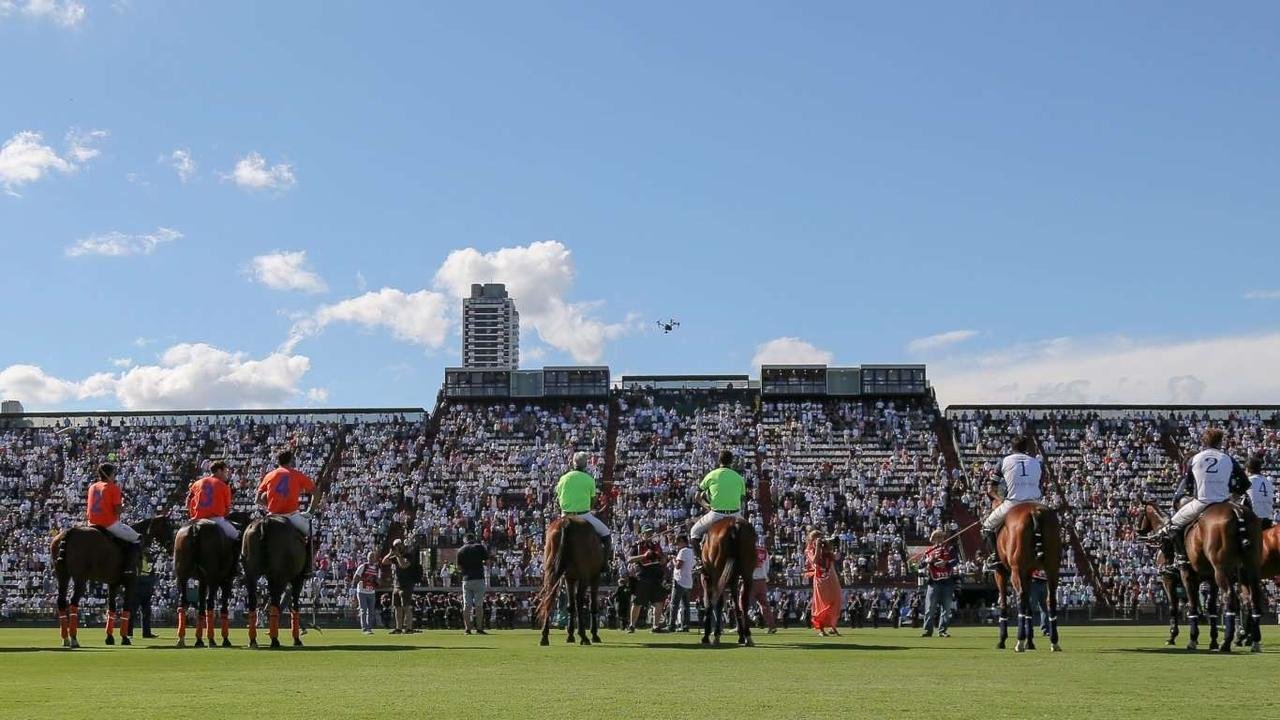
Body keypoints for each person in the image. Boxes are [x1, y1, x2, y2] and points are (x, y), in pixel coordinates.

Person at [1156, 428, 1251, 566]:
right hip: (1225, 502)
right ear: (1220, 442)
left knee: (1170, 526)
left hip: (1201, 502)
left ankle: (1181, 559)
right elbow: (1245, 483)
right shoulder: (1228, 459)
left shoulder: (1195, 459)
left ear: (1205, 442)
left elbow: (1188, 486)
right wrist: (1232, 495)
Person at [980, 436, 1043, 570]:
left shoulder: (1004, 461)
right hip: (1036, 503)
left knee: (986, 527)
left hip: (1014, 503)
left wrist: (1000, 499)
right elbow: (1041, 485)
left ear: (1012, 448)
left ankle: (995, 558)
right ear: (1026, 448)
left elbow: (991, 489)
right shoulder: (1037, 462)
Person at [554, 451, 613, 571]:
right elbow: (592, 501)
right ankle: (605, 565)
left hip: (565, 515)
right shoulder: (589, 479)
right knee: (606, 534)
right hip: (583, 515)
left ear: (572, 463)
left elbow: (557, 498)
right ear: (585, 464)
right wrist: (589, 509)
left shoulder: (563, 478)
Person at [689, 450, 747, 558]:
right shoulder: (739, 478)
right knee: (751, 535)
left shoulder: (711, 475)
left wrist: (706, 505)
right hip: (735, 515)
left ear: (719, 460)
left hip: (716, 514)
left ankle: (700, 561)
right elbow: (742, 500)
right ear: (731, 461)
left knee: (694, 532)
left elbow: (696, 497)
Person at [257, 449, 317, 537]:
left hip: (272, 516)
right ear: (291, 460)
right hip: (292, 516)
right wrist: (310, 511)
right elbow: (316, 493)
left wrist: (271, 506)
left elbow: (258, 499)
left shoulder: (269, 475)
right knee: (313, 533)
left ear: (278, 461)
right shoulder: (298, 475)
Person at [626, 524, 666, 633]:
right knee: (637, 602)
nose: (649, 535)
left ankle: (655, 626)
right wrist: (644, 556)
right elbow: (629, 559)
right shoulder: (637, 546)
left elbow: (663, 560)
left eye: (651, 533)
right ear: (642, 534)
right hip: (642, 577)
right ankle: (632, 625)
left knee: (658, 602)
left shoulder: (655, 545)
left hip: (656, 576)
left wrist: (659, 556)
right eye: (647, 533)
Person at [920, 529, 957, 638]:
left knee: (946, 609)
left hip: (947, 582)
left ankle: (942, 631)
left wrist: (946, 563)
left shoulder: (950, 549)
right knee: (930, 608)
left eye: (941, 537)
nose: (939, 539)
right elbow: (920, 565)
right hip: (933, 582)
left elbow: (955, 561)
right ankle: (928, 630)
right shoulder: (928, 551)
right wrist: (926, 561)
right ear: (934, 540)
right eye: (937, 538)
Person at [187, 461, 238, 539]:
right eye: (225, 471)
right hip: (216, 519)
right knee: (236, 535)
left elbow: (188, 501)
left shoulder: (197, 483)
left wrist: (193, 515)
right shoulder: (224, 486)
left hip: (197, 520)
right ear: (219, 471)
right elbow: (227, 509)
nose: (227, 474)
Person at [804, 531, 841, 637]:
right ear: (811, 540)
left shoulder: (826, 547)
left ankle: (832, 626)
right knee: (821, 603)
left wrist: (834, 547)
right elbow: (815, 560)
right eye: (816, 539)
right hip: (820, 578)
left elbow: (835, 557)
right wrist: (818, 548)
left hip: (831, 575)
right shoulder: (809, 549)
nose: (818, 540)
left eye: (819, 538)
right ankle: (820, 628)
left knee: (836, 599)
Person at [381, 539, 418, 634]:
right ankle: (398, 628)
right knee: (397, 608)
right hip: (397, 585)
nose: (397, 547)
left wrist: (398, 555)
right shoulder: (396, 556)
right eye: (395, 546)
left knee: (406, 607)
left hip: (406, 585)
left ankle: (409, 628)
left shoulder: (409, 555)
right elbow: (384, 562)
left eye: (398, 545)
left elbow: (403, 565)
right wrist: (390, 553)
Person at [457, 533, 489, 635]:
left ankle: (467, 628)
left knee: (467, 605)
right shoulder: (480, 547)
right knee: (479, 605)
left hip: (466, 579)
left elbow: (459, 567)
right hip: (479, 578)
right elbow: (487, 562)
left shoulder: (461, 550)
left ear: (465, 540)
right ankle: (479, 628)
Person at [747, 537, 778, 634]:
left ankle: (741, 625)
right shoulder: (764, 551)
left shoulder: (748, 551)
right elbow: (767, 566)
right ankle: (771, 626)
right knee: (765, 605)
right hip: (762, 580)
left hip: (751, 580)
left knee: (742, 603)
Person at [126, 550, 157, 639]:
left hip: (146, 585)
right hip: (139, 584)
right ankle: (129, 632)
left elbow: (151, 572)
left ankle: (146, 633)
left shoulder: (147, 558)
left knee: (147, 612)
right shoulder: (136, 557)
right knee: (133, 611)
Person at [667, 535, 695, 631]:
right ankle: (685, 625)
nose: (677, 546)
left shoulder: (683, 551)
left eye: (678, 543)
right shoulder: (691, 551)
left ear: (682, 541)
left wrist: (673, 560)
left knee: (674, 604)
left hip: (679, 580)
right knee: (685, 605)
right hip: (688, 581)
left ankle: (671, 625)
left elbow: (678, 566)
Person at [352, 551, 380, 635]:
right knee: (363, 609)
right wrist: (360, 582)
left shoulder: (376, 568)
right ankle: (365, 628)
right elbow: (355, 577)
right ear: (367, 558)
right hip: (362, 591)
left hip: (371, 591)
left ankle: (369, 628)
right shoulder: (363, 566)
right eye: (370, 557)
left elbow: (378, 581)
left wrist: (376, 581)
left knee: (371, 611)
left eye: (373, 557)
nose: (371, 558)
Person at [1245, 455, 1274, 529]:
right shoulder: (1268, 481)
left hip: (1254, 519)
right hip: (1268, 519)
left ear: (1248, 469)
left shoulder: (1248, 481)